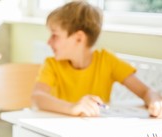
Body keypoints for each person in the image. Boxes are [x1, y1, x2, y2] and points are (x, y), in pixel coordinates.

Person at [31, 1, 162, 118]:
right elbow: (37, 97)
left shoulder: (107, 61)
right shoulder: (52, 64)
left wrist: (155, 101)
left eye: (55, 35)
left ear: (79, 38)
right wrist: (72, 108)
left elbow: (146, 91)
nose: (48, 42)